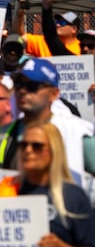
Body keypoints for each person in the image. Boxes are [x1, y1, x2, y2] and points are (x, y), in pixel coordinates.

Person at [0, 122, 95, 247]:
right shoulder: (9, 189)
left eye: (37, 146)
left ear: (54, 151)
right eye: (23, 145)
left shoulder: (72, 197)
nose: (28, 151)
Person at [14, 58, 94, 198]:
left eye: (32, 86)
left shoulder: (78, 131)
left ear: (54, 94)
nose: (22, 91)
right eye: (18, 84)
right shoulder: (3, 132)